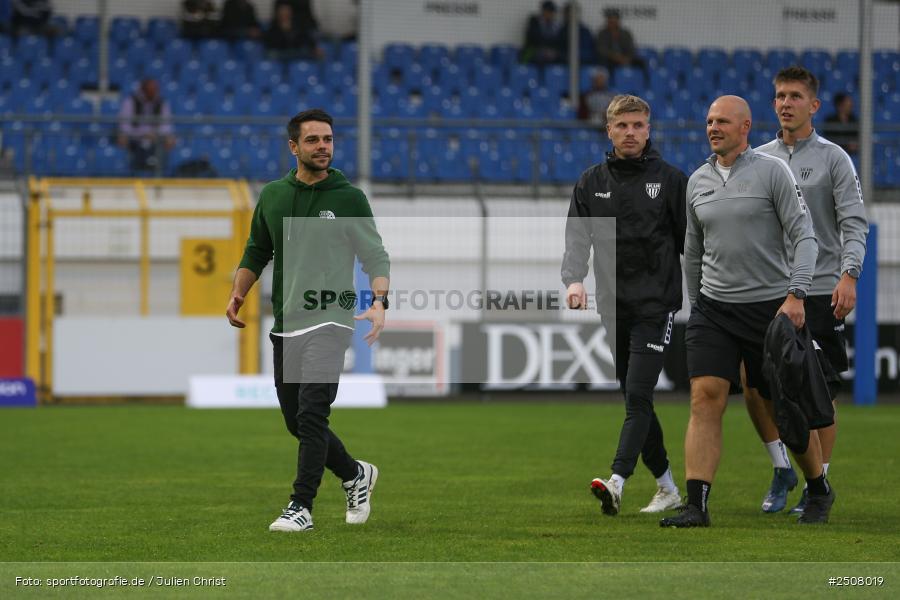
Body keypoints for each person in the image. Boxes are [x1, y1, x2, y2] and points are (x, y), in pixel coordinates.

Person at [661, 95, 833, 528]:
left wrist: (796, 295)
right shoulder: (697, 181)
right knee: (705, 397)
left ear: (745, 126)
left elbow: (805, 237)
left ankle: (818, 488)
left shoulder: (773, 172)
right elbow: (693, 252)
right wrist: (698, 304)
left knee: (784, 406)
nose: (713, 128)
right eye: (708, 120)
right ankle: (696, 505)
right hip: (713, 310)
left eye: (722, 121)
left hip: (770, 310)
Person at [226, 108, 390, 533]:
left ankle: (301, 506)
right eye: (314, 140)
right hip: (286, 321)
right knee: (295, 420)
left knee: (313, 414)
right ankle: (355, 474)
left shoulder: (349, 198)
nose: (323, 147)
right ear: (294, 147)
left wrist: (379, 300)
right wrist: (238, 291)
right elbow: (256, 250)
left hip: (332, 318)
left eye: (329, 139)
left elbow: (375, 255)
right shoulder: (274, 195)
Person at [749, 67, 867, 515]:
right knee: (760, 387)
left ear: (813, 105)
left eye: (795, 96)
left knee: (820, 392)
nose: (785, 103)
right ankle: (782, 468)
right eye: (779, 95)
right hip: (767, 290)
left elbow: (853, 222)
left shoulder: (835, 158)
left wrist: (849, 274)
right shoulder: (757, 158)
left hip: (820, 289)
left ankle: (818, 484)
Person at [562, 95, 688, 516]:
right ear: (609, 130)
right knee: (637, 399)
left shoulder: (671, 181)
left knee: (637, 394)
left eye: (638, 125)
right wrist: (574, 280)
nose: (631, 132)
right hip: (612, 305)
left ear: (648, 130)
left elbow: (693, 242)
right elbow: (578, 237)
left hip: (656, 305)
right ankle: (668, 486)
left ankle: (616, 480)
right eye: (623, 126)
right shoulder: (590, 181)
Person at [116, 78, 176, 174]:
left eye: (155, 90)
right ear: (143, 90)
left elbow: (166, 126)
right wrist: (142, 134)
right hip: (134, 141)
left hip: (155, 141)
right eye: (150, 91)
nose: (153, 93)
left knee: (168, 142)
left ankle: (159, 177)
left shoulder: (161, 102)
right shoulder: (131, 101)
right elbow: (125, 126)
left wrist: (155, 134)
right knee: (124, 140)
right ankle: (133, 174)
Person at [596, 8, 646, 79]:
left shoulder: (625, 33)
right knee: (604, 63)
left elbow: (631, 48)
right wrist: (615, 57)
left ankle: (644, 84)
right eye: (610, 20)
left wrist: (627, 58)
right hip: (611, 59)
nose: (612, 22)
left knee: (641, 62)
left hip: (625, 58)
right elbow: (601, 50)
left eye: (614, 19)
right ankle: (611, 84)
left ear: (618, 21)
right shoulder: (602, 33)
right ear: (607, 21)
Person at [522, 0, 564, 66]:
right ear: (543, 11)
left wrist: (552, 51)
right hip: (535, 51)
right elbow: (535, 38)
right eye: (548, 11)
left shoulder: (557, 25)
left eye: (552, 12)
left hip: (552, 52)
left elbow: (559, 41)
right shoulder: (534, 22)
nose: (550, 14)